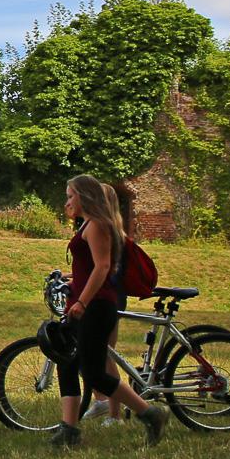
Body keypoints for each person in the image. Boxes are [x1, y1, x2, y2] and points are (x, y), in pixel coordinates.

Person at [52, 174, 168, 448]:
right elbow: (88, 268)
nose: (67, 201)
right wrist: (72, 285)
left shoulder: (97, 225)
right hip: (82, 304)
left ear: (84, 196)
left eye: (71, 196)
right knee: (66, 361)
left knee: (94, 374)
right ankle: (69, 429)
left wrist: (82, 302)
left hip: (96, 306)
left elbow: (103, 267)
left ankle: (150, 413)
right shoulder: (87, 225)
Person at [83, 180, 139, 425]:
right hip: (111, 295)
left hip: (111, 299)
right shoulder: (111, 229)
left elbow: (107, 271)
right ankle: (101, 401)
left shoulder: (110, 230)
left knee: (106, 356)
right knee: (100, 355)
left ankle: (114, 413)